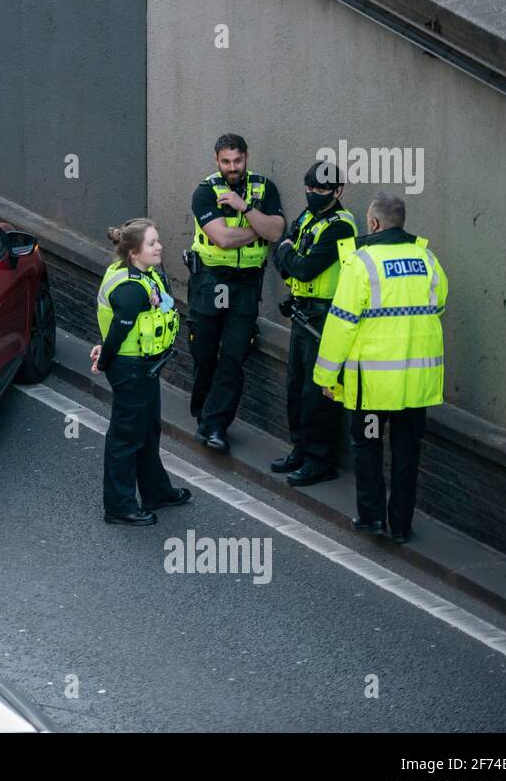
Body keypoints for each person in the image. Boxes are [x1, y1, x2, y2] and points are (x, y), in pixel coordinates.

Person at [313, 191, 448, 544]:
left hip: (372, 384)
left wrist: (326, 376)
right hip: (414, 384)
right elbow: (439, 305)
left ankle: (372, 518)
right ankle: (401, 525)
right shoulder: (427, 259)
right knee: (406, 453)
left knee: (368, 446)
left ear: (373, 224)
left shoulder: (362, 263)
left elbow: (341, 323)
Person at [186, 133, 286, 452]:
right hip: (210, 281)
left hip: (245, 285)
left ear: (246, 157)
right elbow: (223, 239)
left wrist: (244, 208)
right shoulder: (205, 192)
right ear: (217, 161)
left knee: (233, 355)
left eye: (238, 160)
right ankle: (203, 413)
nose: (233, 167)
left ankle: (215, 426)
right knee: (204, 352)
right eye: (226, 162)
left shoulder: (263, 188)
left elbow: (277, 231)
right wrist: (259, 224)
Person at [90, 219, 192, 525]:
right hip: (131, 370)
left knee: (147, 431)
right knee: (125, 438)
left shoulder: (143, 274)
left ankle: (156, 492)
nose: (159, 246)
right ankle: (119, 506)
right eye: (152, 243)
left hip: (145, 367)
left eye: (157, 241)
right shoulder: (132, 289)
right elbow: (119, 333)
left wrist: (105, 349)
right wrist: (104, 361)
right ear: (134, 253)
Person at [270, 160, 358, 486]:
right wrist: (289, 256)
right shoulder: (309, 216)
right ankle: (300, 449)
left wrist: (288, 254)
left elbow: (305, 269)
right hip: (301, 311)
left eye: (321, 190)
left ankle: (320, 460)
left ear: (338, 191)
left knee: (317, 391)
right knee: (294, 384)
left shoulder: (341, 226)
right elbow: (283, 258)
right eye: (309, 189)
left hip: (325, 318)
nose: (313, 195)